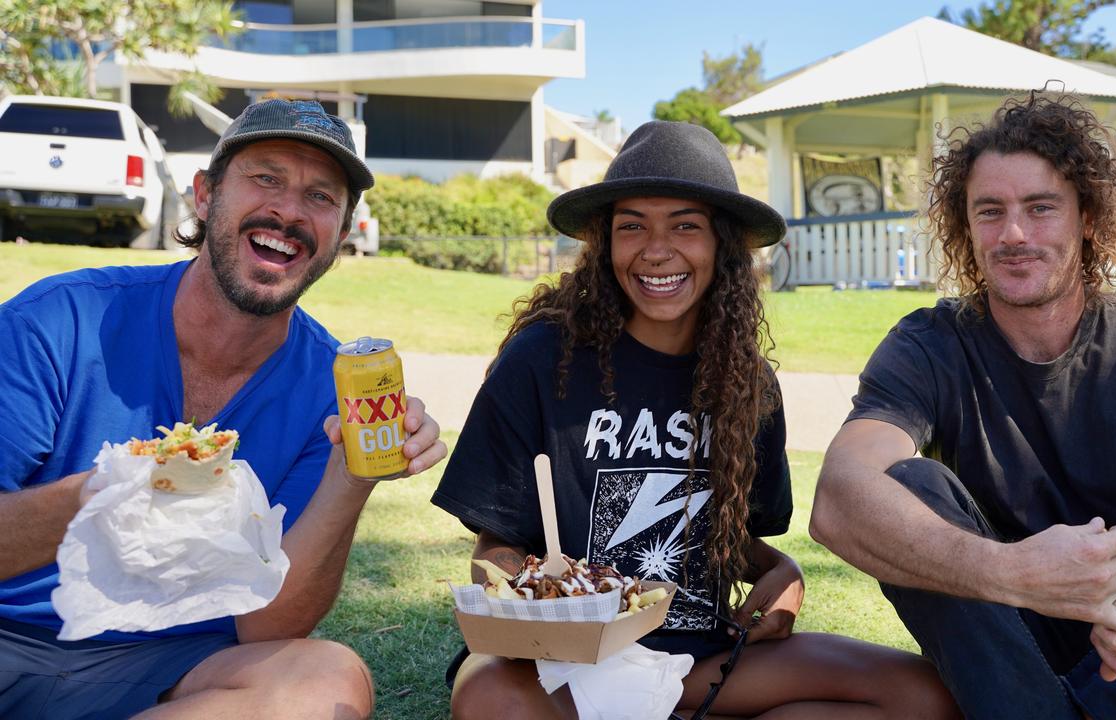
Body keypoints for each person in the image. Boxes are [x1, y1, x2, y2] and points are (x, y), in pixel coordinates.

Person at [431, 120, 959, 719]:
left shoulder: (747, 382)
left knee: (925, 696)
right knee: (486, 697)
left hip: (697, 661)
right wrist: (554, 603)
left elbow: (728, 541)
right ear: (605, 243)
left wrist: (780, 570)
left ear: (724, 246)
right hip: (564, 664)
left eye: (686, 225)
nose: (657, 250)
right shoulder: (542, 360)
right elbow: (493, 549)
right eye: (632, 226)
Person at [810, 89, 1116, 720]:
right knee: (906, 482)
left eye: (1041, 207)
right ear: (964, 226)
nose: (1013, 234)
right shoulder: (930, 344)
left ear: (1088, 218)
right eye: (989, 211)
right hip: (1004, 651)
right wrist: (1012, 573)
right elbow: (840, 496)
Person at [0, 99, 447, 720]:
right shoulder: (57, 322)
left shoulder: (331, 388)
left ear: (340, 237)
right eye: (265, 178)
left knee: (327, 679)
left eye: (320, 197)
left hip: (168, 670)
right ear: (206, 196)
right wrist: (101, 495)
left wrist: (353, 477)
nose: (289, 211)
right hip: (10, 637)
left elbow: (268, 625)